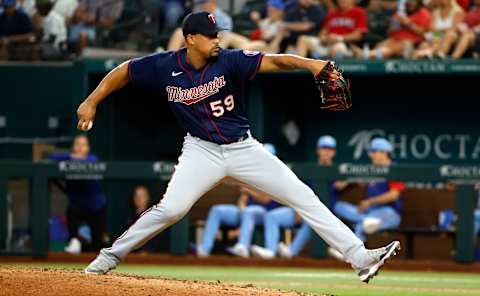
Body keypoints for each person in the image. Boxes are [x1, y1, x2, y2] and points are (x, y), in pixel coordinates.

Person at [78, 11, 400, 283]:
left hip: (243, 148)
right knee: (172, 209)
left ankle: (359, 257)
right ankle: (107, 258)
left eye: (217, 34)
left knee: (303, 195)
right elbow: (124, 71)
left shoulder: (230, 61)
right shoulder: (164, 66)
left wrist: (311, 64)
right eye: (209, 35)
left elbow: (277, 62)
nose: (217, 39)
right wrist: (91, 102)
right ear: (190, 39)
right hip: (200, 150)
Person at [250, 135, 348, 259]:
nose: (326, 152)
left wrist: (346, 180)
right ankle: (270, 251)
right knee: (272, 216)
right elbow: (299, 191)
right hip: (301, 209)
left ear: (334, 152)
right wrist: (297, 208)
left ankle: (291, 251)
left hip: (322, 214)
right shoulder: (309, 170)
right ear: (318, 150)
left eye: (329, 149)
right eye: (324, 148)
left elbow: (353, 179)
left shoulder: (338, 171)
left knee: (311, 220)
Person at [197, 144, 280, 258]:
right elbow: (243, 197)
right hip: (246, 212)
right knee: (217, 210)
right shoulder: (252, 173)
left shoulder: (275, 175)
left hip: (265, 213)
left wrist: (249, 192)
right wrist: (242, 208)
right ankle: (204, 249)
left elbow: (266, 200)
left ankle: (242, 247)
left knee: (249, 211)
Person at [333, 138, 403, 244]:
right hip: (370, 211)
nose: (371, 155)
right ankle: (366, 221)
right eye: (371, 152)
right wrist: (347, 181)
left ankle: (350, 251)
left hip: (389, 213)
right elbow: (361, 181)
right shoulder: (373, 169)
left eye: (374, 151)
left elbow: (393, 195)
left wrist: (369, 202)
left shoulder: (393, 169)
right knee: (339, 207)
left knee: (364, 223)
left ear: (384, 153)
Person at [49, 134, 108, 254]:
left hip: (95, 206)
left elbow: (90, 160)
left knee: (97, 245)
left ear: (88, 148)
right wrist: (70, 156)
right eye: (77, 145)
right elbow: (51, 157)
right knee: (72, 211)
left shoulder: (92, 159)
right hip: (77, 206)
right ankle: (74, 241)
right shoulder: (68, 158)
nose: (80, 148)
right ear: (73, 147)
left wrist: (72, 159)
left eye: (83, 145)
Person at [355, 0, 431, 59]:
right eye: (409, 1)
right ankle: (369, 56)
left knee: (397, 47)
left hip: (411, 43)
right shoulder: (400, 13)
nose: (411, 3)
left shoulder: (423, 13)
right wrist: (395, 25)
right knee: (381, 44)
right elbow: (389, 32)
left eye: (413, 1)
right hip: (394, 39)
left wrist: (408, 23)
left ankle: (366, 54)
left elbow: (423, 32)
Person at [296, 0, 367, 58]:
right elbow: (323, 31)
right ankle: (297, 70)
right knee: (303, 39)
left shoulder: (359, 12)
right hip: (327, 45)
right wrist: (323, 38)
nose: (342, 1)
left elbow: (359, 35)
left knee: (337, 47)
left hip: (344, 45)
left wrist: (339, 38)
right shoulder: (332, 13)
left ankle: (333, 73)